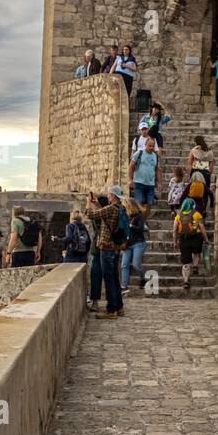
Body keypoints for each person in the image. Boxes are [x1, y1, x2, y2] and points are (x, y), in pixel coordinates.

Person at [85, 185, 128, 318]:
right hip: (115, 248)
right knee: (114, 278)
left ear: (114, 196)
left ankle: (111, 310)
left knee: (109, 279)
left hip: (106, 248)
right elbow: (106, 217)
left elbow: (90, 215)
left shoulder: (110, 209)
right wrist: (98, 205)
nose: (108, 196)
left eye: (109, 194)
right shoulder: (121, 208)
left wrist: (88, 203)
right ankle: (119, 307)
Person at [173, 198, 208, 293]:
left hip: (183, 240)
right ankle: (196, 265)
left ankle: (186, 281)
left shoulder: (178, 216)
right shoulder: (197, 214)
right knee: (196, 253)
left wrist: (175, 242)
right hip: (196, 238)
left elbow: (174, 230)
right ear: (193, 205)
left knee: (185, 263)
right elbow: (202, 227)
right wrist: (206, 239)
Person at [121, 198, 147, 293]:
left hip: (138, 243)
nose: (123, 208)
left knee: (136, 264)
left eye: (124, 206)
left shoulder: (138, 217)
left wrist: (131, 226)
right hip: (127, 244)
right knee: (124, 265)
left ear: (129, 206)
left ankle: (143, 279)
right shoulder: (124, 217)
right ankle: (124, 286)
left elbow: (141, 229)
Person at [129, 134, 160, 215]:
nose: (151, 148)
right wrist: (130, 179)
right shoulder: (139, 153)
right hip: (139, 182)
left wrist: (159, 182)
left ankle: (142, 222)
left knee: (149, 204)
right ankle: (140, 219)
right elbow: (131, 166)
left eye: (153, 146)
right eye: (150, 146)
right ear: (145, 144)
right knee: (139, 202)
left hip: (150, 184)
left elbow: (157, 169)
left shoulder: (155, 156)